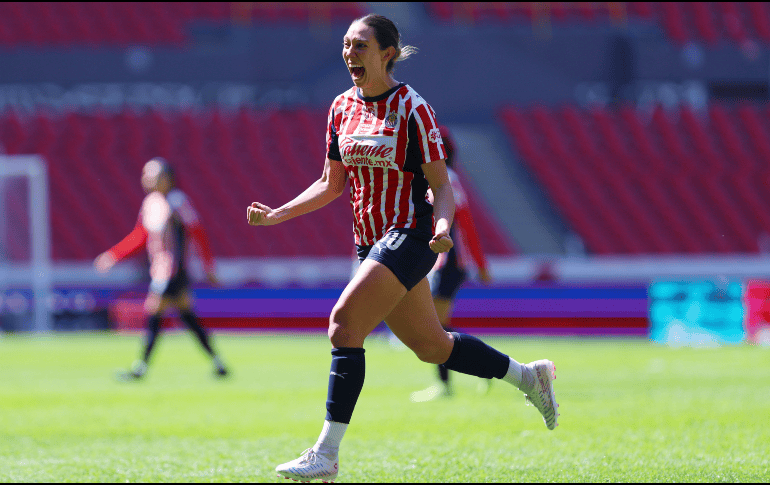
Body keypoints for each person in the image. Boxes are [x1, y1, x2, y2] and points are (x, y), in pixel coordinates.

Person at [247, 14, 558, 482]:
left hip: (410, 236)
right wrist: (278, 213)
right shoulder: (340, 108)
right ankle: (527, 376)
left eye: (361, 45)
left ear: (387, 53)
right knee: (432, 347)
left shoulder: (413, 108)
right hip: (369, 243)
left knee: (343, 325)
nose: (350, 53)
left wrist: (443, 227)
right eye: (347, 45)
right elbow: (332, 184)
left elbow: (443, 185)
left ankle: (326, 453)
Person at [95, 157, 228, 380]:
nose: (146, 179)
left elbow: (198, 234)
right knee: (187, 316)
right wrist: (114, 255)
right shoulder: (151, 204)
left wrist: (208, 267)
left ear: (167, 178)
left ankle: (140, 369)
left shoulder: (177, 202)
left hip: (173, 271)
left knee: (155, 312)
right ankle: (218, 362)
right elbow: (140, 235)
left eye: (152, 174)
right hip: (160, 270)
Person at [410, 125, 494, 403]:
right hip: (447, 261)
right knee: (437, 326)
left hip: (450, 261)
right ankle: (483, 367)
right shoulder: (446, 178)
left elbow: (465, 225)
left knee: (434, 327)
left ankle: (481, 367)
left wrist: (480, 264)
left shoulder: (445, 180)